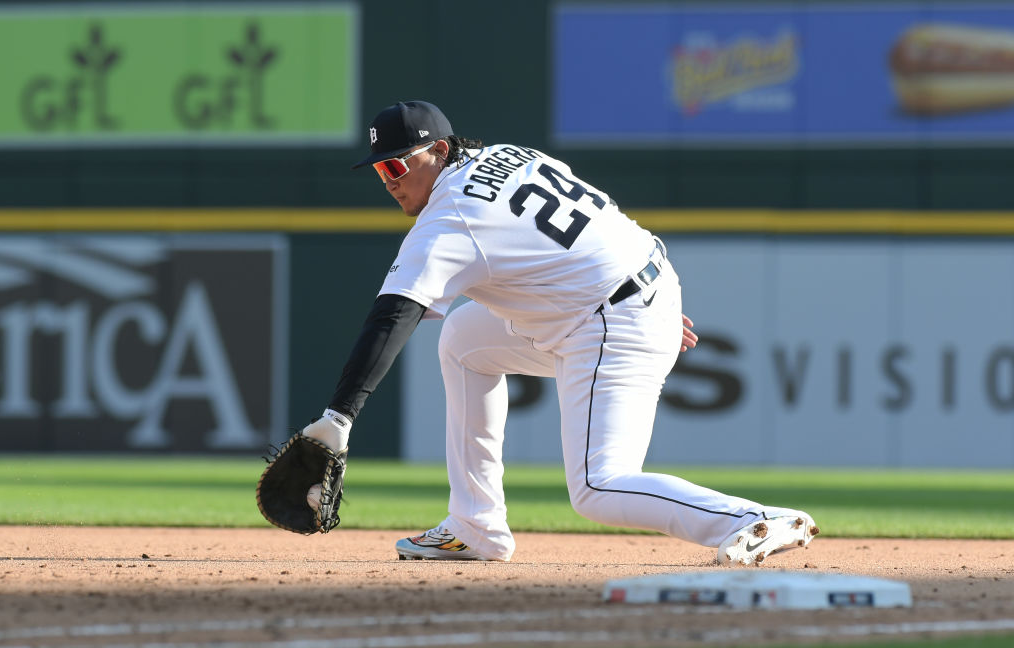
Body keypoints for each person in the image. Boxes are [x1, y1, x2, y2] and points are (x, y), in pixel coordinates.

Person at [301, 100, 819, 566]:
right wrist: (647, 301)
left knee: (598, 485)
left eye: (396, 164)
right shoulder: (510, 155)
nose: (388, 179)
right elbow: (599, 218)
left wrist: (338, 417)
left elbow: (391, 317)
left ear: (438, 150)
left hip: (609, 320)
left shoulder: (449, 215)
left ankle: (750, 518)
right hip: (635, 290)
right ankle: (474, 526)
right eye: (379, 169)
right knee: (463, 341)